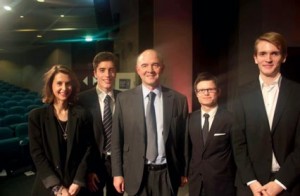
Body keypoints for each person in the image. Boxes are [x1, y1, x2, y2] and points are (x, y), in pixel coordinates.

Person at [111, 49, 188, 196]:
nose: (150, 70)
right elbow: (116, 140)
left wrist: (184, 171)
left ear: (162, 68)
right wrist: (117, 173)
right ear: (138, 70)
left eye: (155, 65)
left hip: (167, 174)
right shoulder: (124, 99)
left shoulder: (179, 100)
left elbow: (183, 139)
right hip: (135, 174)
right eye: (145, 65)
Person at [232, 32, 300, 196]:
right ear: (255, 58)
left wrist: (280, 183)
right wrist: (252, 182)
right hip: (251, 186)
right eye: (262, 53)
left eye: (274, 53)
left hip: (288, 184)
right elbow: (238, 143)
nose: (268, 59)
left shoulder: (298, 93)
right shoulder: (240, 93)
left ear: (283, 57)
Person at [29, 65, 93, 196]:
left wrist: (78, 181)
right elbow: (37, 154)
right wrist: (57, 187)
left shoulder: (82, 114)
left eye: (68, 84)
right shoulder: (37, 116)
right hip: (49, 185)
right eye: (59, 83)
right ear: (50, 85)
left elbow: (88, 149)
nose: (64, 88)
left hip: (76, 186)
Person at [78, 51, 122, 196]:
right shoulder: (82, 100)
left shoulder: (124, 98)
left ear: (116, 72)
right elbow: (81, 139)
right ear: (95, 73)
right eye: (102, 70)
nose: (107, 75)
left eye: (111, 70)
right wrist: (88, 169)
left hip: (118, 163)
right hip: (93, 163)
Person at [185, 72, 236, 196]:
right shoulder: (189, 119)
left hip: (222, 185)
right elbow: (188, 150)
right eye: (201, 90)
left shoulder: (231, 119)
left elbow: (237, 153)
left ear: (218, 91)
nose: (206, 93)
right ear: (196, 94)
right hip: (196, 184)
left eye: (210, 89)